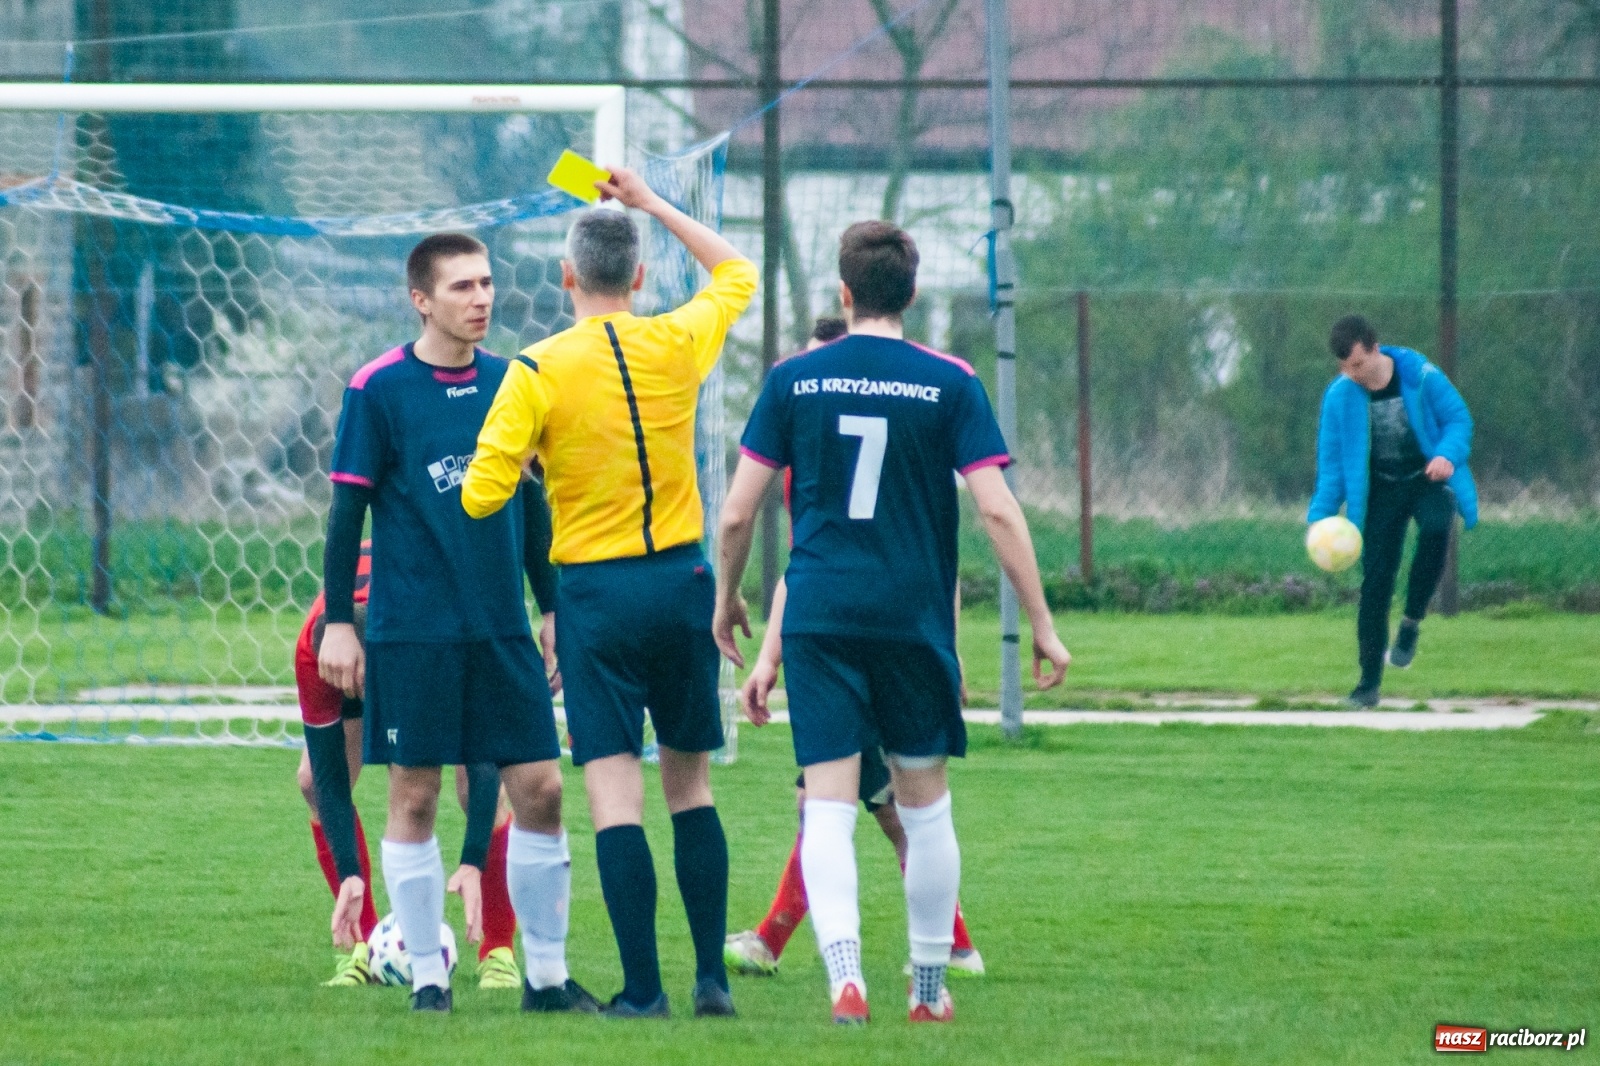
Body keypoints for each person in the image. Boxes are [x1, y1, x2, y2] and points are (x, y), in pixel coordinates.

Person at [712, 220, 1071, 1025]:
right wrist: (1041, 623)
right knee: (926, 807)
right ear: (909, 294)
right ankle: (929, 988)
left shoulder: (793, 380)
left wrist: (726, 599)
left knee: (830, 807)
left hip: (822, 617)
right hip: (913, 620)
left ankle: (847, 978)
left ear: (843, 293)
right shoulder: (950, 381)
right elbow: (999, 512)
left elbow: (737, 515)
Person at [462, 167, 758, 1019]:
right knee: (691, 787)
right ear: (636, 278)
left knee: (614, 793)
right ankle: (712, 981)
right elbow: (735, 273)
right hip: (683, 580)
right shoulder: (675, 341)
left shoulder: (536, 370)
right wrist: (654, 205)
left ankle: (643, 990)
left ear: (565, 278)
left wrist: (522, 462)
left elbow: (482, 494)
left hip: (595, 594)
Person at [318, 232, 598, 1014]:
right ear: (421, 299)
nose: (481, 299)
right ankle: (429, 979)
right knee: (413, 796)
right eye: (462, 288)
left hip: (501, 629)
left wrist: (552, 608)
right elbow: (347, 512)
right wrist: (340, 622)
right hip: (413, 630)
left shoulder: (515, 380)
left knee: (541, 790)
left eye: (486, 284)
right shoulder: (378, 388)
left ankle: (545, 978)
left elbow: (533, 504)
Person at [723, 317, 983, 981]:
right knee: (861, 801)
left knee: (866, 804)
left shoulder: (884, 436)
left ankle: (939, 947)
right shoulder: (829, 441)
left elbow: (940, 567)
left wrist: (948, 651)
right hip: (861, 630)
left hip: (855, 636)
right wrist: (770, 657)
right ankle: (932, 947)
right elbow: (802, 569)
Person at [296, 503, 556, 991]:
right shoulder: (317, 649)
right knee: (312, 780)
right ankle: (366, 943)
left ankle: (497, 948)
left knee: (465, 782)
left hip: (427, 642)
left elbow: (482, 763)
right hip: (373, 647)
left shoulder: (426, 637)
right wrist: (350, 872)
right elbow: (330, 779)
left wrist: (471, 860)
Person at [1309, 315, 1476, 708]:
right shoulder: (1340, 396)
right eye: (1345, 368)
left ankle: (1412, 622)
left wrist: (1446, 456)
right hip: (1380, 489)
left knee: (1438, 525)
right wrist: (1320, 519)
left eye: (1358, 364)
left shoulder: (1420, 374)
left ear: (1374, 346)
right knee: (1376, 583)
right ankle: (1368, 684)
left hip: (1425, 478)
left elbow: (1458, 420)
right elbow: (1331, 466)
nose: (1353, 374)